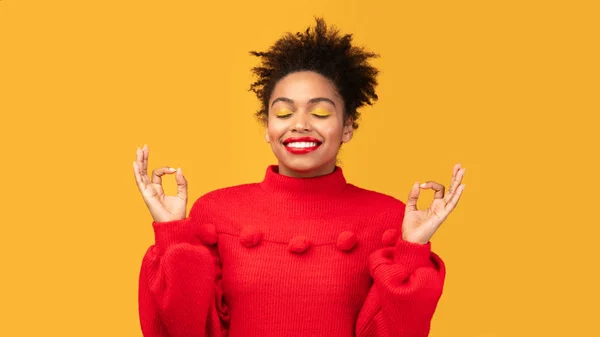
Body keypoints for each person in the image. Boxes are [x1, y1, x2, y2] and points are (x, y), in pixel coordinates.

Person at [133, 18, 465, 337]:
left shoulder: (390, 219)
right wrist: (172, 234)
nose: (300, 124)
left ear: (347, 125)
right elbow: (186, 329)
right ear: (267, 127)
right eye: (283, 112)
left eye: (320, 112)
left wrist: (411, 249)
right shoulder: (216, 211)